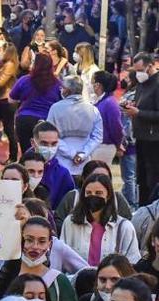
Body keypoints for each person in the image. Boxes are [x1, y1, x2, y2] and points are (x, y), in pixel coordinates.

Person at [60, 174, 142, 265]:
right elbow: (62, 258)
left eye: (98, 193)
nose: (93, 196)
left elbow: (132, 262)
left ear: (108, 196)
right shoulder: (70, 223)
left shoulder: (124, 227)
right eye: (88, 193)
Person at [45, 76, 103, 177]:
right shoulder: (93, 109)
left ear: (67, 90)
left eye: (62, 88)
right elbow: (97, 136)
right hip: (84, 160)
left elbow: (50, 136)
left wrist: (71, 153)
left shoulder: (55, 108)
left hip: (61, 158)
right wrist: (83, 154)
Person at [10, 54, 62, 157]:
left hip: (24, 119)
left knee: (27, 153)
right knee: (45, 155)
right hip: (46, 121)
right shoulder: (57, 84)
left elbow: (11, 99)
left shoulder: (24, 80)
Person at [126, 53, 159, 204]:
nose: (138, 74)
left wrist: (139, 113)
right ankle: (143, 207)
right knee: (142, 177)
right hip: (141, 136)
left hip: (154, 139)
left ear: (150, 66)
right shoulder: (141, 84)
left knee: (152, 177)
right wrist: (133, 108)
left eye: (140, 70)